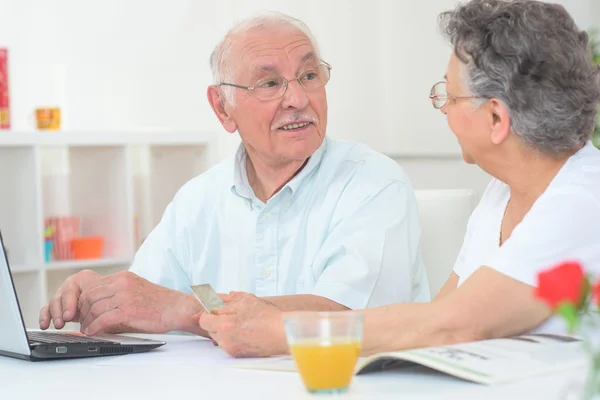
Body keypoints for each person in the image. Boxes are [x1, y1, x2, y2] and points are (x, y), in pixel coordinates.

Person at [200, 0, 600, 358]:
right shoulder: (502, 194)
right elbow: (433, 318)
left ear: (496, 118)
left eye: (450, 96)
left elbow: (454, 323)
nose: (443, 110)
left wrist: (281, 330)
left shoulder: (582, 200)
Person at [38, 12, 429, 337]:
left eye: (309, 76)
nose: (297, 99)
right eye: (270, 83)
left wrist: (184, 309)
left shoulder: (373, 182)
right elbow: (149, 298)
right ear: (222, 108)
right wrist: (104, 298)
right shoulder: (198, 199)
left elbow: (345, 315)